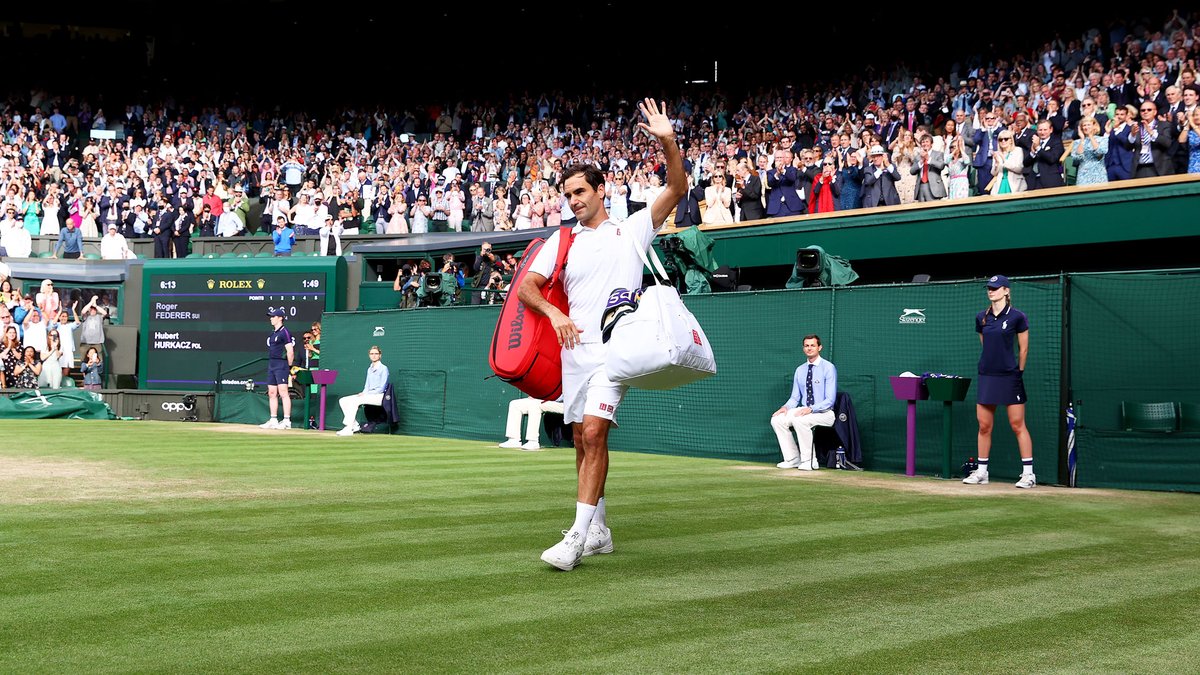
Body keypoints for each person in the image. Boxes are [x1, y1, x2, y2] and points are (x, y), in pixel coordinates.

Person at [518, 98, 685, 572]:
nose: (573, 200)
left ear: (600, 190)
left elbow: (676, 186)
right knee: (579, 439)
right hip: (576, 353)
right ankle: (600, 530)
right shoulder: (562, 239)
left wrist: (667, 140)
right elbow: (528, 287)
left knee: (594, 432)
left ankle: (574, 539)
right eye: (567, 194)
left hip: (617, 351)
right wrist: (554, 313)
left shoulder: (632, 230)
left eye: (579, 192)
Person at [964, 275, 1036, 489]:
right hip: (987, 376)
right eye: (989, 288)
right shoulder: (981, 317)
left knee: (1017, 425)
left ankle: (1028, 474)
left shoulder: (1017, 317)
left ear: (1006, 291)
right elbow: (985, 345)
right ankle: (982, 472)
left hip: (1010, 376)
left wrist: (1018, 372)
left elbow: (1023, 348)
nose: (991, 291)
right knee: (984, 426)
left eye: (995, 288)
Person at [770, 335, 838, 471]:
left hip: (825, 413)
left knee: (800, 421)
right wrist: (785, 407)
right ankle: (793, 459)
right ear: (803, 348)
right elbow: (795, 397)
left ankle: (810, 461)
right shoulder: (800, 370)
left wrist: (812, 409)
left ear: (819, 347)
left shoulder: (828, 368)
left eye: (812, 345)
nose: (809, 348)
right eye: (807, 346)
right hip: (805, 410)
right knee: (777, 419)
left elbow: (830, 400)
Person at [336, 345, 390, 436]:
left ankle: (349, 428)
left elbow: (381, 388)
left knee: (355, 401)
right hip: (368, 395)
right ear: (369, 355)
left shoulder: (384, 368)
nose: (374, 355)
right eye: (372, 354)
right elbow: (367, 385)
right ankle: (355, 425)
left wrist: (366, 394)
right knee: (343, 400)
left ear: (380, 355)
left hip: (379, 396)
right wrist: (364, 393)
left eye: (376, 354)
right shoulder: (369, 369)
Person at [260, 307, 295, 430]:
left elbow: (290, 351)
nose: (271, 318)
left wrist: (289, 367)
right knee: (272, 393)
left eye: (273, 316)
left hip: (282, 365)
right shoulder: (273, 333)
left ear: (280, 318)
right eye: (271, 316)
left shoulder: (285, 332)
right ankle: (273, 419)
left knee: (284, 392)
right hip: (272, 364)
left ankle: (286, 421)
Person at [498, 396, 566, 451]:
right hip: (546, 399)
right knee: (515, 404)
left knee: (534, 405)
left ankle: (533, 441)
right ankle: (513, 440)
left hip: (566, 404)